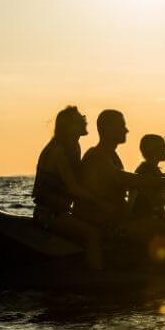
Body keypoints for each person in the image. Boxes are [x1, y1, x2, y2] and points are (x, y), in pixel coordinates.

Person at [76, 110, 165, 261]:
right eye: (121, 126)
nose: (126, 130)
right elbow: (124, 178)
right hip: (102, 224)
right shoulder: (97, 156)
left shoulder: (112, 156)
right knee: (158, 228)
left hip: (117, 219)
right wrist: (162, 181)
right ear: (107, 129)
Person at [32, 105, 104, 270]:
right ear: (68, 127)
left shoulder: (74, 147)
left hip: (61, 211)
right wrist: (98, 201)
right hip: (49, 214)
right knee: (94, 234)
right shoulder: (58, 152)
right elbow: (73, 188)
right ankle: (95, 275)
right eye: (80, 120)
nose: (85, 121)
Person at [128, 134, 165, 222]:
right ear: (154, 150)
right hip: (146, 225)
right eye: (162, 148)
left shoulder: (151, 170)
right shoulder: (146, 172)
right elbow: (150, 208)